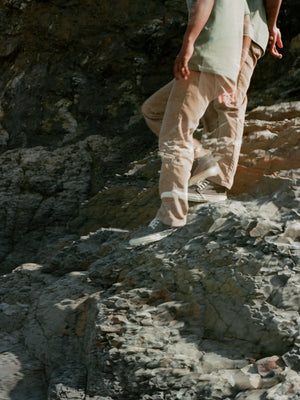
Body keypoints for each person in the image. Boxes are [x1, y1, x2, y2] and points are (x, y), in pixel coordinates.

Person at [130, 0, 252, 246]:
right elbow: (247, 25)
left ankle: (171, 218)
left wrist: (187, 45)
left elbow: (202, 2)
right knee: (155, 111)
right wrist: (235, 69)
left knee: (175, 136)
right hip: (223, 66)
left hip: (203, 60)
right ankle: (205, 160)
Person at [187, 0, 283, 203]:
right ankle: (206, 177)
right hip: (214, 38)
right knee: (211, 107)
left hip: (242, 33)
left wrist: (271, 25)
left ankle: (217, 183)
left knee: (228, 100)